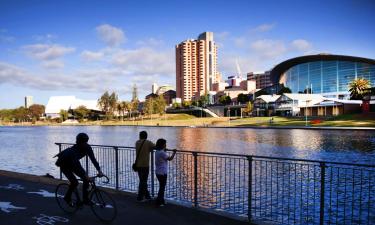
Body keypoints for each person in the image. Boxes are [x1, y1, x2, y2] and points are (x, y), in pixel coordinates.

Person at [55, 133, 103, 205]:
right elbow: (77, 165)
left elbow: (93, 159)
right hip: (65, 165)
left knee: (86, 180)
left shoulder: (87, 147)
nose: (84, 144)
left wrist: (99, 170)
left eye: (85, 142)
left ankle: (85, 199)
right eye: (82, 142)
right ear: (78, 142)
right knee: (75, 182)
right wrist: (85, 175)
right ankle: (67, 197)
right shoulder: (73, 151)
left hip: (73, 164)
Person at [154, 138, 176, 207]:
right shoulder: (162, 153)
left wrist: (164, 150)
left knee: (161, 187)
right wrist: (174, 153)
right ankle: (159, 202)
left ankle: (161, 201)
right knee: (162, 188)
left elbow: (163, 154)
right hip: (162, 173)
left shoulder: (157, 151)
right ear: (163, 145)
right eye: (165, 144)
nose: (166, 145)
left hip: (158, 172)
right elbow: (170, 159)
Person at [134, 131, 155, 202]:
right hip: (145, 164)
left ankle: (147, 196)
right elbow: (156, 146)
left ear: (140, 136)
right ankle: (140, 197)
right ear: (146, 136)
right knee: (144, 181)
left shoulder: (137, 142)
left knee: (142, 181)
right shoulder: (148, 142)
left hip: (138, 164)